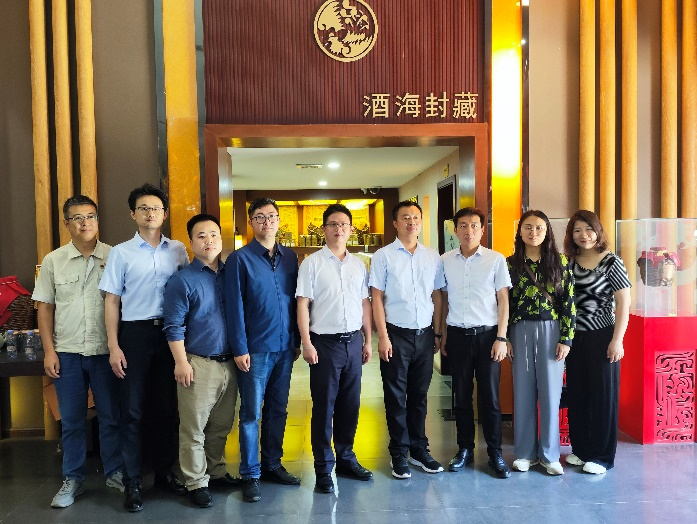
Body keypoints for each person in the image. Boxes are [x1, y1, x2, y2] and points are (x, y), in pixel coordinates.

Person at [99, 183, 189, 512]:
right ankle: (133, 481)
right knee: (132, 411)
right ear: (133, 214)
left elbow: (187, 292)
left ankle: (164, 473)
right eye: (143, 208)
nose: (150, 213)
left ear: (165, 214)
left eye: (156, 208)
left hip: (169, 335)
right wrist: (114, 346)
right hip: (134, 335)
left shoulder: (178, 250)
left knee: (166, 409)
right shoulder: (121, 253)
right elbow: (112, 301)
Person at [33, 195, 123, 508]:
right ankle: (73, 478)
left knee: (111, 417)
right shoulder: (53, 261)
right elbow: (44, 308)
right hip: (67, 353)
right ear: (67, 223)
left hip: (104, 352)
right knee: (71, 421)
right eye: (77, 218)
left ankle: (115, 471)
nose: (85, 223)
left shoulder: (115, 256)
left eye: (91, 216)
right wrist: (49, 351)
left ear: (98, 220)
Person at [224, 197, 301, 503]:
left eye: (271, 216)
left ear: (279, 221)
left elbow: (296, 303)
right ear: (251, 222)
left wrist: (296, 340)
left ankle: (272, 464)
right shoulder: (239, 259)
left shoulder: (290, 257)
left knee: (278, 409)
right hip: (254, 350)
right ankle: (250, 473)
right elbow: (234, 306)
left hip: (285, 347)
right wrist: (239, 347)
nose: (266, 221)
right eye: (259, 217)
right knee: (251, 413)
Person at [163, 214, 240, 509]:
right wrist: (181, 362)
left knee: (221, 425)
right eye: (201, 236)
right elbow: (173, 326)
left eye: (214, 234)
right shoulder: (182, 280)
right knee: (193, 428)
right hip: (198, 363)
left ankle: (216, 471)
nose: (209, 241)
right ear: (191, 242)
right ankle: (195, 481)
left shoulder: (232, 274)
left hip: (230, 363)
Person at [296, 204, 374, 494]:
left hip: (353, 342)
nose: (339, 229)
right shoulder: (312, 264)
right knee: (324, 407)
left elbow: (364, 303)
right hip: (325, 344)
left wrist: (368, 340)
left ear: (351, 229)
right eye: (333, 224)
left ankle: (346, 458)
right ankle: (322, 467)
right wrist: (306, 342)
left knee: (350, 405)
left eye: (343, 224)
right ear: (324, 229)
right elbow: (302, 304)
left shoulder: (358, 265)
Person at [369, 200, 444, 479]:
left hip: (425, 334)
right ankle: (399, 452)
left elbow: (437, 296)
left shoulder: (432, 256)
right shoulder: (383, 256)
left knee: (419, 396)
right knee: (396, 397)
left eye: (415, 217)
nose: (411, 222)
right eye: (405, 218)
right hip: (395, 335)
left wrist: (437, 332)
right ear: (395, 223)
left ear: (421, 222)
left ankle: (419, 449)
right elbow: (376, 298)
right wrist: (382, 337)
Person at [439, 207, 512, 479]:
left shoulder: (495, 260)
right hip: (457, 336)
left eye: (474, 225)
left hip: (488, 337)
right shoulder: (445, 261)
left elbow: (503, 300)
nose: (468, 231)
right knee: (461, 396)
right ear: (455, 229)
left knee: (490, 398)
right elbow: (443, 300)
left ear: (482, 229)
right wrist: (442, 335)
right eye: (463, 225)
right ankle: (465, 449)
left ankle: (495, 452)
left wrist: (501, 337)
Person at [506, 210, 576, 476]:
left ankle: (550, 455)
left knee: (550, 394)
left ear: (547, 232)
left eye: (538, 227)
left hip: (551, 331)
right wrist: (505, 337)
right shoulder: (510, 263)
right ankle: (525, 453)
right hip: (519, 330)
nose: (533, 232)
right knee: (522, 392)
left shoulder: (559, 262)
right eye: (528, 227)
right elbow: (503, 304)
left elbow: (569, 302)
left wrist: (566, 339)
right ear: (520, 231)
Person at [563, 210, 631, 474]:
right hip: (574, 338)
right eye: (577, 230)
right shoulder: (569, 262)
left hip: (602, 336)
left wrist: (617, 340)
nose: (584, 235)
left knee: (603, 396)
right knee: (578, 394)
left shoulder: (611, 261)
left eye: (589, 229)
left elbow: (623, 303)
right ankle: (581, 450)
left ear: (598, 231)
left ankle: (602, 457)